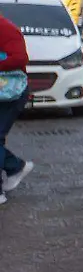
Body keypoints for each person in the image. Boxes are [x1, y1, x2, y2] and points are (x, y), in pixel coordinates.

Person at [0, 12, 32, 205]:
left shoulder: (5, 28)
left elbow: (20, 58)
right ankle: (13, 168)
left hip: (10, 93)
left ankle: (15, 166)